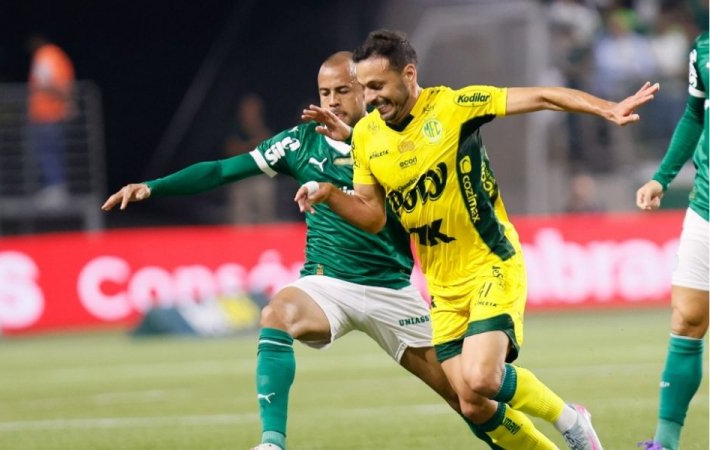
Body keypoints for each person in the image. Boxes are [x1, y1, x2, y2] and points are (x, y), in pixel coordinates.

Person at [297, 29, 659, 450]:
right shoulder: (366, 136)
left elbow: (541, 96)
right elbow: (373, 215)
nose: (371, 97)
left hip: (490, 263)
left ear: (409, 74)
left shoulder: (454, 107)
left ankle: (571, 420)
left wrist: (607, 108)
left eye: (378, 85)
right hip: (442, 285)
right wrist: (329, 194)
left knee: (483, 377)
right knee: (472, 403)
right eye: (365, 88)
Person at [102, 52, 468, 450]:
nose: (332, 101)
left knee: (467, 398)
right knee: (275, 314)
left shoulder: (392, 137)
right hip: (327, 285)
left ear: (365, 90)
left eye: (342, 90)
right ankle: (272, 443)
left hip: (391, 289)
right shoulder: (298, 142)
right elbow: (223, 170)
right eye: (324, 92)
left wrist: (356, 139)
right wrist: (153, 187)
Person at [635, 31, 708, 450]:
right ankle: (665, 443)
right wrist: (661, 177)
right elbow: (695, 115)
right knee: (686, 319)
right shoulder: (703, 49)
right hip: (705, 206)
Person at [26, 34, 75, 209]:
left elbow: (45, 82)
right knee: (54, 151)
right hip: (53, 113)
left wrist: (63, 98)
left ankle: (55, 190)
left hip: (45, 115)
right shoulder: (59, 55)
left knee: (48, 153)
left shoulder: (44, 55)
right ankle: (55, 188)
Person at [223, 93, 275, 224]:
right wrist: (250, 147)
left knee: (264, 190)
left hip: (260, 176)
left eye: (254, 109)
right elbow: (231, 150)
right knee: (240, 217)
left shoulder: (262, 126)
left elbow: (269, 149)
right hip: (240, 177)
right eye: (248, 109)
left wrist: (255, 129)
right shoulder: (234, 128)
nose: (251, 112)